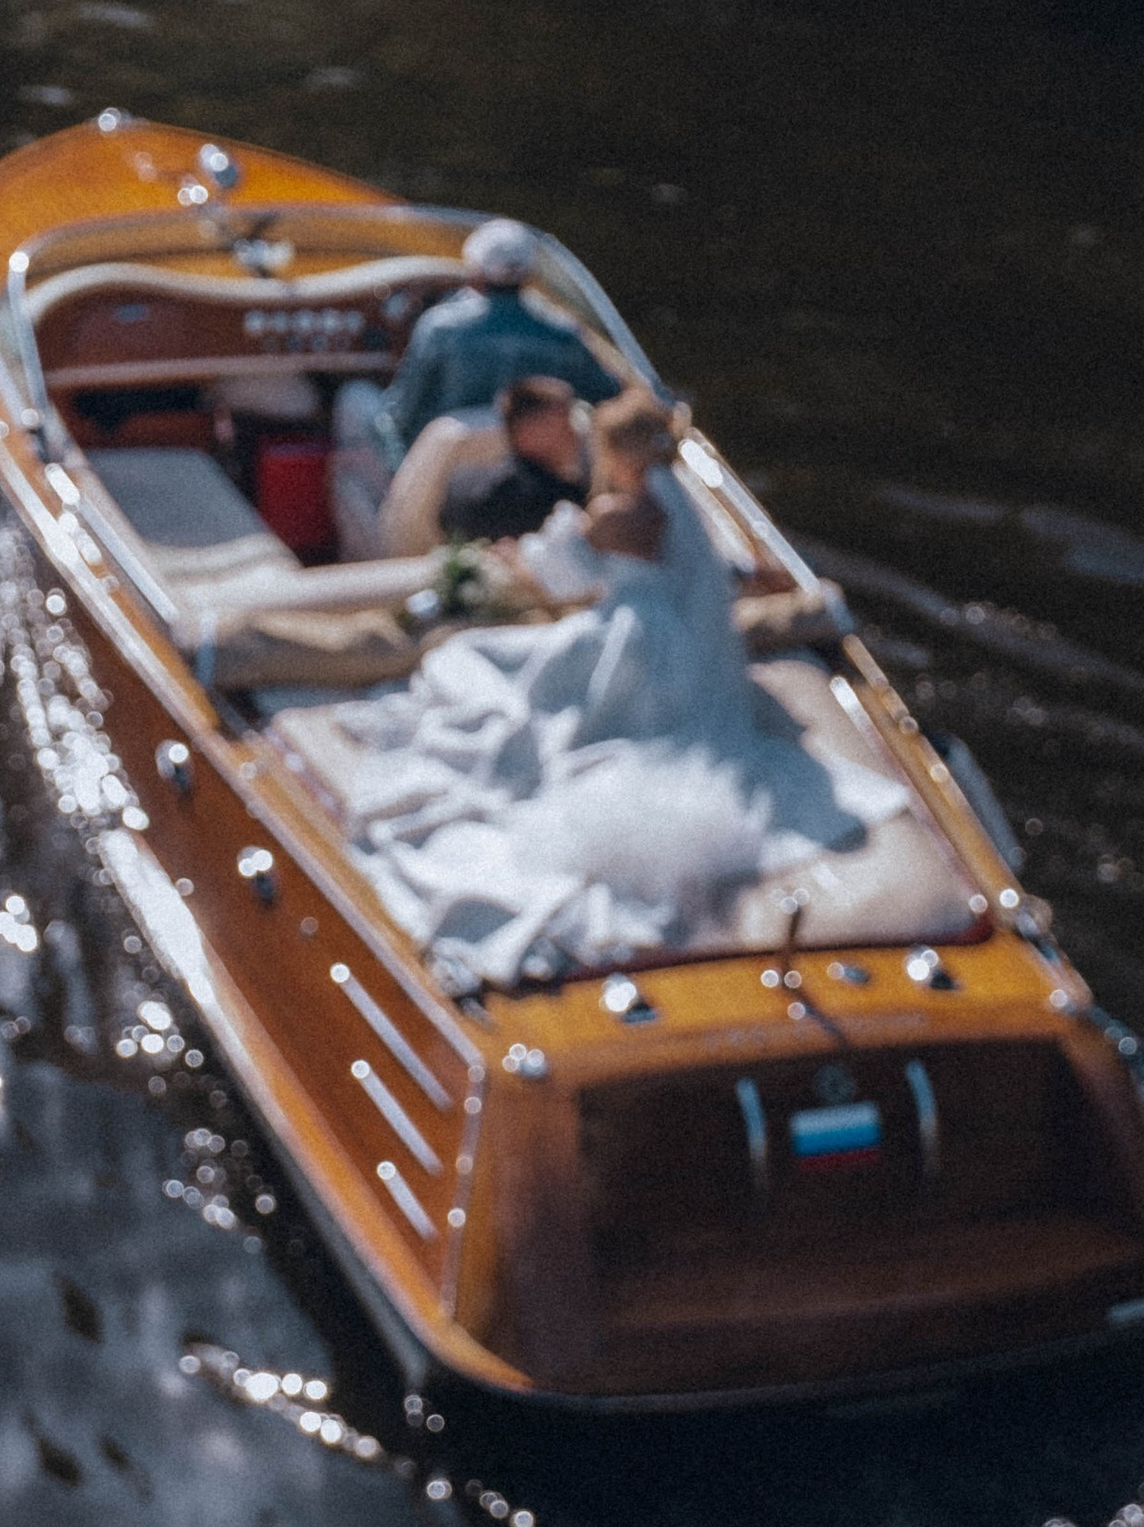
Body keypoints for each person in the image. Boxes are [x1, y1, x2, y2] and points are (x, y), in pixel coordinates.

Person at [322, 385, 907, 990]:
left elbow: (556, 572)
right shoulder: (680, 506)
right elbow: (706, 576)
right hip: (693, 653)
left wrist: (507, 563)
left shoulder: (617, 515)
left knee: (472, 659)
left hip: (633, 641)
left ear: (615, 450)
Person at [380, 219, 617, 454]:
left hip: (455, 469)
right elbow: (608, 395)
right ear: (528, 273)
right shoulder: (563, 332)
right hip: (539, 465)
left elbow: (402, 412)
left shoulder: (439, 328)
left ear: (476, 271)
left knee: (356, 398)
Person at [438, 376, 590, 547]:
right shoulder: (560, 501)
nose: (574, 435)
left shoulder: (461, 483)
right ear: (526, 432)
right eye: (563, 424)